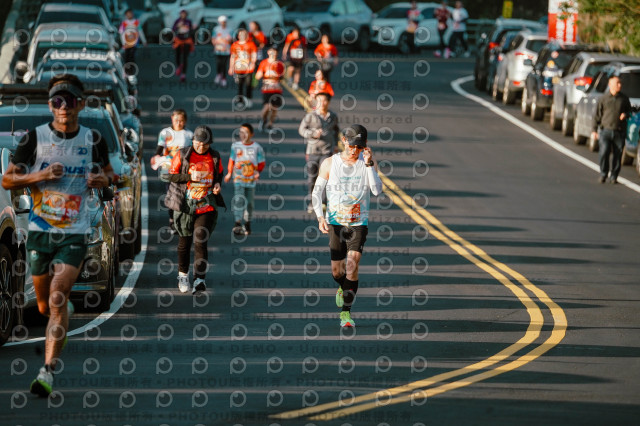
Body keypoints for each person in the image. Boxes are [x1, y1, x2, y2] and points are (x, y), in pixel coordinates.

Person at [1, 74, 115, 396]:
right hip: (40, 232)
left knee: (57, 297)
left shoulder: (93, 140)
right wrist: (40, 175)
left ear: (81, 104)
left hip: (73, 233)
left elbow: (110, 174)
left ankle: (47, 372)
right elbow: (8, 180)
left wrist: (102, 180)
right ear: (51, 106)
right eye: (57, 101)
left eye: (70, 100)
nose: (64, 107)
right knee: (42, 306)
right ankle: (61, 312)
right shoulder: (34, 140)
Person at [311, 124, 383, 328]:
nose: (355, 150)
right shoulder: (329, 163)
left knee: (352, 264)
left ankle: (346, 314)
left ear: (365, 146)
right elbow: (316, 192)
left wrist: (369, 165)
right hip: (335, 222)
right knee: (337, 272)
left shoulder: (367, 163)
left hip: (358, 223)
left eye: (359, 147)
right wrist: (320, 217)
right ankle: (343, 287)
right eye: (352, 146)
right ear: (344, 141)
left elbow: (376, 190)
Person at [163, 126, 225, 294]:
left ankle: (199, 279)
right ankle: (183, 275)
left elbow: (219, 174)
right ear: (193, 141)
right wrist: (190, 177)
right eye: (198, 143)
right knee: (184, 242)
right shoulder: (183, 155)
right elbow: (169, 176)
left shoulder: (214, 156)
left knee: (200, 240)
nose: (202, 147)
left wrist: (217, 184)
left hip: (206, 205)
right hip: (185, 205)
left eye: (205, 144)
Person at [152, 109, 194, 231]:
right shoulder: (165, 133)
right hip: (168, 168)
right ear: (172, 119)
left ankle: (182, 219)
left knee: (182, 194)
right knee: (171, 194)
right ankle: (172, 219)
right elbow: (160, 147)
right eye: (176, 120)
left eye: (181, 121)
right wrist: (156, 156)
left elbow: (192, 152)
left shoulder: (189, 135)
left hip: (183, 169)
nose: (178, 123)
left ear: (185, 121)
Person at [299, 92, 339, 213]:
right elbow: (301, 130)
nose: (322, 103)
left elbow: (336, 130)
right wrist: (313, 133)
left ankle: (324, 202)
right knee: (312, 178)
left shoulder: (333, 116)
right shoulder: (310, 116)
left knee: (325, 177)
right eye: (319, 100)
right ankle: (313, 202)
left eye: (324, 100)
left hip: (327, 151)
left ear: (328, 102)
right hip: (313, 151)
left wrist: (336, 145)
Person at [224, 123, 265, 236]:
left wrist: (258, 172)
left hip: (251, 179)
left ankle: (247, 223)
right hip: (238, 178)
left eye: (246, 132)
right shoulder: (235, 146)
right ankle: (237, 223)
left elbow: (261, 162)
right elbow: (232, 160)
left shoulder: (257, 147)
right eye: (241, 132)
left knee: (249, 202)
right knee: (238, 199)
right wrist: (229, 173)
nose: (243, 134)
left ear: (251, 134)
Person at [592, 73, 632, 184]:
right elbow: (596, 115)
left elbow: (630, 112)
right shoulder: (603, 98)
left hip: (619, 131)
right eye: (617, 83)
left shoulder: (624, 99)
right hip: (605, 130)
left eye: (620, 83)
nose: (619, 85)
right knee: (604, 151)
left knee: (617, 155)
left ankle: (614, 176)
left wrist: (626, 114)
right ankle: (603, 173)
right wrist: (594, 130)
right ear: (610, 84)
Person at [255, 46, 286, 132]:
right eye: (272, 51)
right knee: (267, 106)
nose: (273, 54)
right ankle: (263, 120)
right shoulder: (264, 63)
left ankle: (270, 124)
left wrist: (277, 76)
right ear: (268, 52)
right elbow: (257, 76)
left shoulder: (280, 64)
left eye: (275, 52)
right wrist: (262, 73)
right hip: (267, 89)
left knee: (275, 108)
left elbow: (282, 77)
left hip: (277, 89)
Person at [229, 28, 258, 108]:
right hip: (238, 68)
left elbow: (254, 55)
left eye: (244, 35)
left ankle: (248, 99)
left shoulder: (251, 44)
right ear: (238, 36)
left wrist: (253, 63)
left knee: (248, 85)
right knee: (240, 85)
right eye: (241, 35)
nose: (242, 36)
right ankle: (240, 101)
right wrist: (231, 67)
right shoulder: (235, 45)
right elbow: (232, 56)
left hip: (248, 68)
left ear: (247, 36)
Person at [172, 9, 195, 82]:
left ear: (186, 15)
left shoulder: (188, 21)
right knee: (178, 56)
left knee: (185, 57)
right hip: (179, 40)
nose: (183, 15)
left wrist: (192, 29)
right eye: (182, 14)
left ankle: (183, 74)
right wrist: (178, 26)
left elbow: (191, 30)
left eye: (184, 14)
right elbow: (173, 29)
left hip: (187, 40)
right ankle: (179, 66)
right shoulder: (177, 21)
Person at [282, 25, 307, 90]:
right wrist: (284, 54)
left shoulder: (302, 38)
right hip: (292, 55)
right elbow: (286, 46)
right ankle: (290, 79)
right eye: (295, 33)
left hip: (299, 56)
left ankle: (296, 83)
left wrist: (305, 56)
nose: (296, 35)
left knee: (298, 70)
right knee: (291, 68)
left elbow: (304, 48)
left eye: (297, 33)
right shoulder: (290, 37)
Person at [212, 15, 232, 87]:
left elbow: (231, 40)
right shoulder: (216, 29)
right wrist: (215, 44)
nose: (223, 23)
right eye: (222, 22)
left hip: (226, 50)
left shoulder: (230, 30)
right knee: (218, 63)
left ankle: (224, 78)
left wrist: (229, 40)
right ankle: (218, 75)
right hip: (218, 49)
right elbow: (213, 38)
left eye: (224, 22)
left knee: (224, 64)